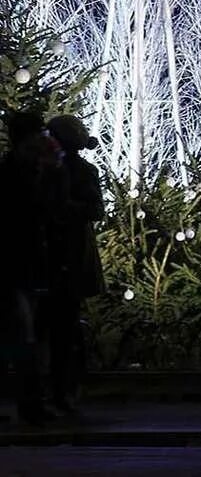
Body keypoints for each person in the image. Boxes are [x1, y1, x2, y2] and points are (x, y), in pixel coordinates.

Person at [0, 111, 62, 426]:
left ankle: (31, 404)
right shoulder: (14, 172)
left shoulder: (26, 169)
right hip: (13, 266)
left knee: (24, 335)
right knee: (22, 336)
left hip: (25, 264)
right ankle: (30, 405)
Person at [43, 114, 104, 415]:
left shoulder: (80, 171)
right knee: (60, 325)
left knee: (64, 325)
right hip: (59, 255)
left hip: (69, 255)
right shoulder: (48, 168)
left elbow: (95, 209)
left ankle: (65, 386)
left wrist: (65, 208)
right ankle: (63, 386)